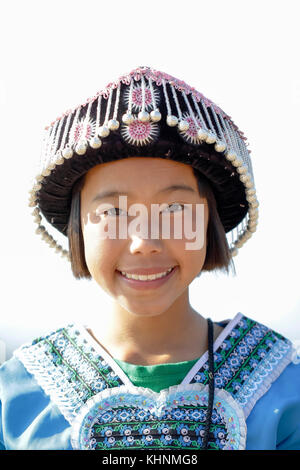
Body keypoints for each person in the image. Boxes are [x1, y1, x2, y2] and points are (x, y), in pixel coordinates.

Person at [0, 66, 299, 451]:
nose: (144, 241)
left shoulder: (284, 388)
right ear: (78, 228)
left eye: (174, 208)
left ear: (208, 223)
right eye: (113, 212)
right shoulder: (15, 399)